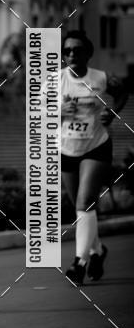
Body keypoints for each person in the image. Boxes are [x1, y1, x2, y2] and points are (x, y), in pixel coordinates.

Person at [60, 30, 128, 285]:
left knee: (85, 202)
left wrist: (112, 110)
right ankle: (98, 251)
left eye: (77, 50)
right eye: (67, 51)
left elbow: (122, 93)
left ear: (88, 53)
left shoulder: (101, 78)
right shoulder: (54, 82)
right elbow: (37, 117)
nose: (72, 54)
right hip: (66, 149)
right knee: (82, 210)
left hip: (96, 147)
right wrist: (58, 112)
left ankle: (80, 262)